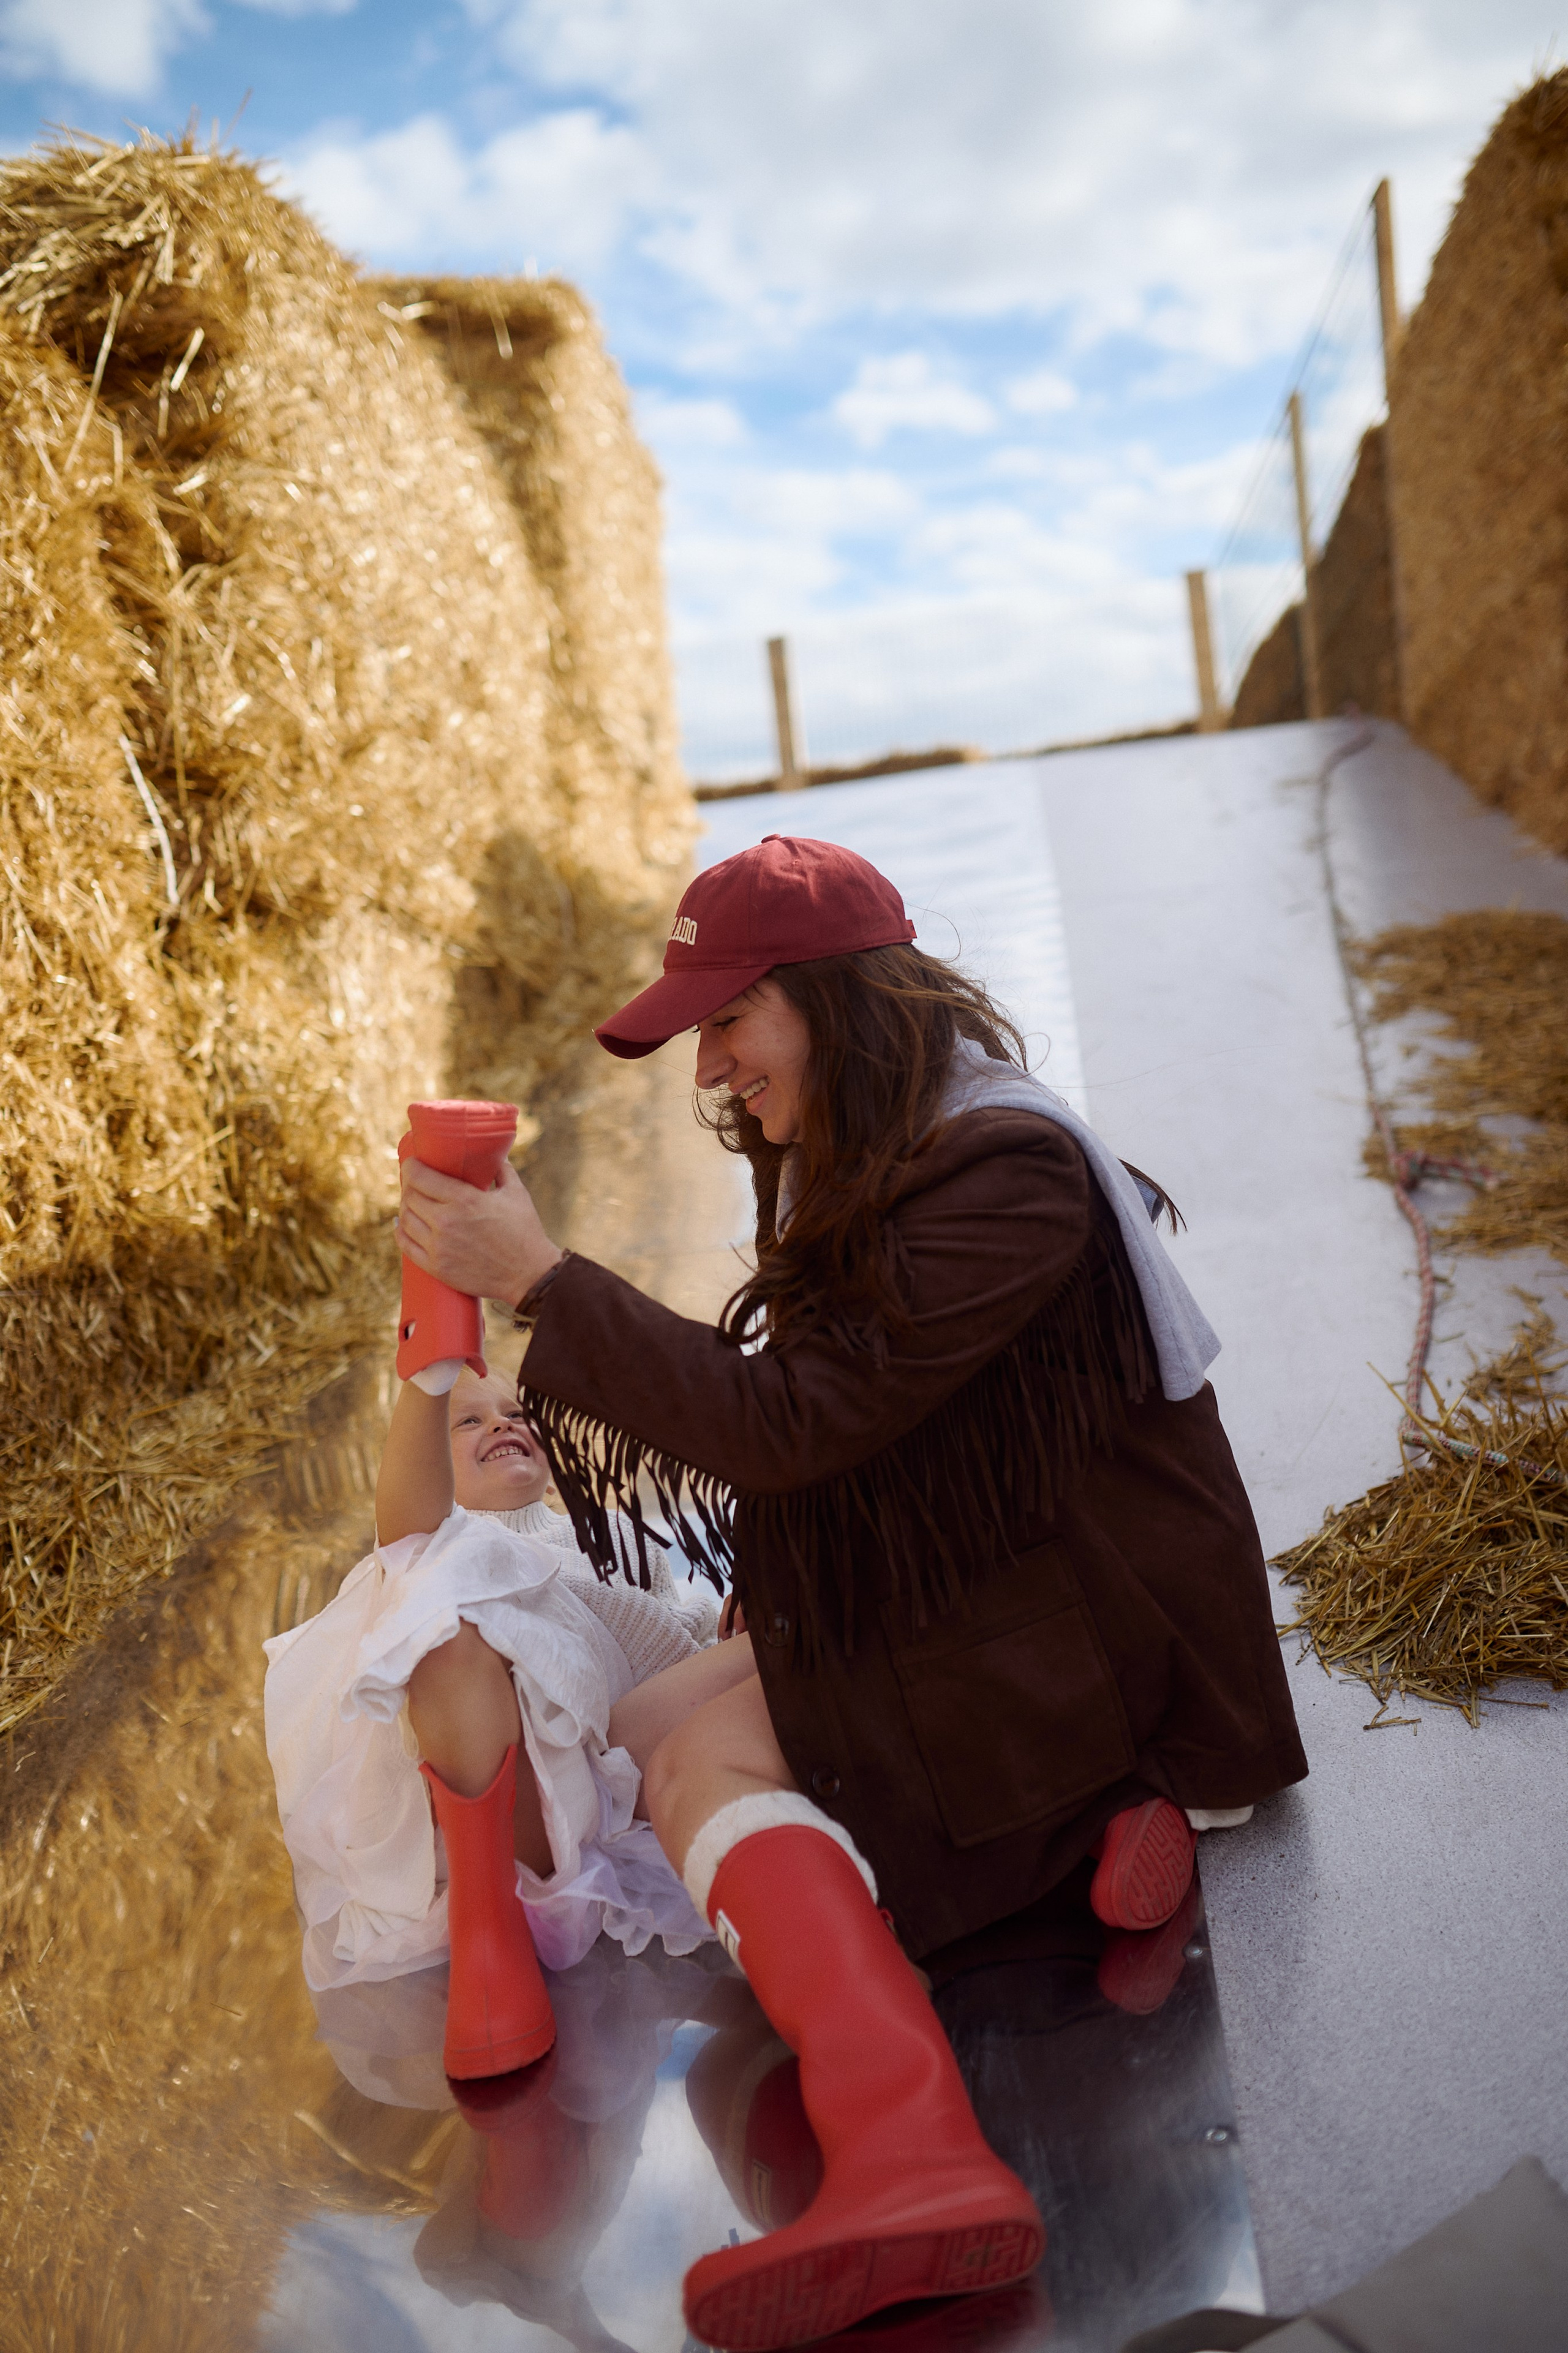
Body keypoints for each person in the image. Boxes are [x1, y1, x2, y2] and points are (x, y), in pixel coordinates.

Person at [394, 833, 1309, 2348]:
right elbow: (868, 1433)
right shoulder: (882, 1139)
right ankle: (1103, 1820)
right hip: (1004, 1597)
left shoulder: (1001, 1169)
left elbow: (799, 1417)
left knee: (696, 1760)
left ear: (829, 995)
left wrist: (547, 1283)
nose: (710, 1063)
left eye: (727, 1019)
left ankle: (912, 2148)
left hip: (1084, 1640)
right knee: (641, 1714)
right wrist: (777, 1575)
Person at [263, 1352, 750, 2081]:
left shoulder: (615, 1537)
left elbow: (680, 1629)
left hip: (625, 1755)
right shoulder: (430, 1545)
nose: (501, 1422)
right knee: (430, 1586)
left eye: (518, 1414)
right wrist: (429, 1372)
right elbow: (409, 1532)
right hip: (509, 1784)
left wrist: (730, 1634)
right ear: (430, 1455)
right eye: (468, 1419)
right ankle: (491, 1939)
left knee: (796, 1626)